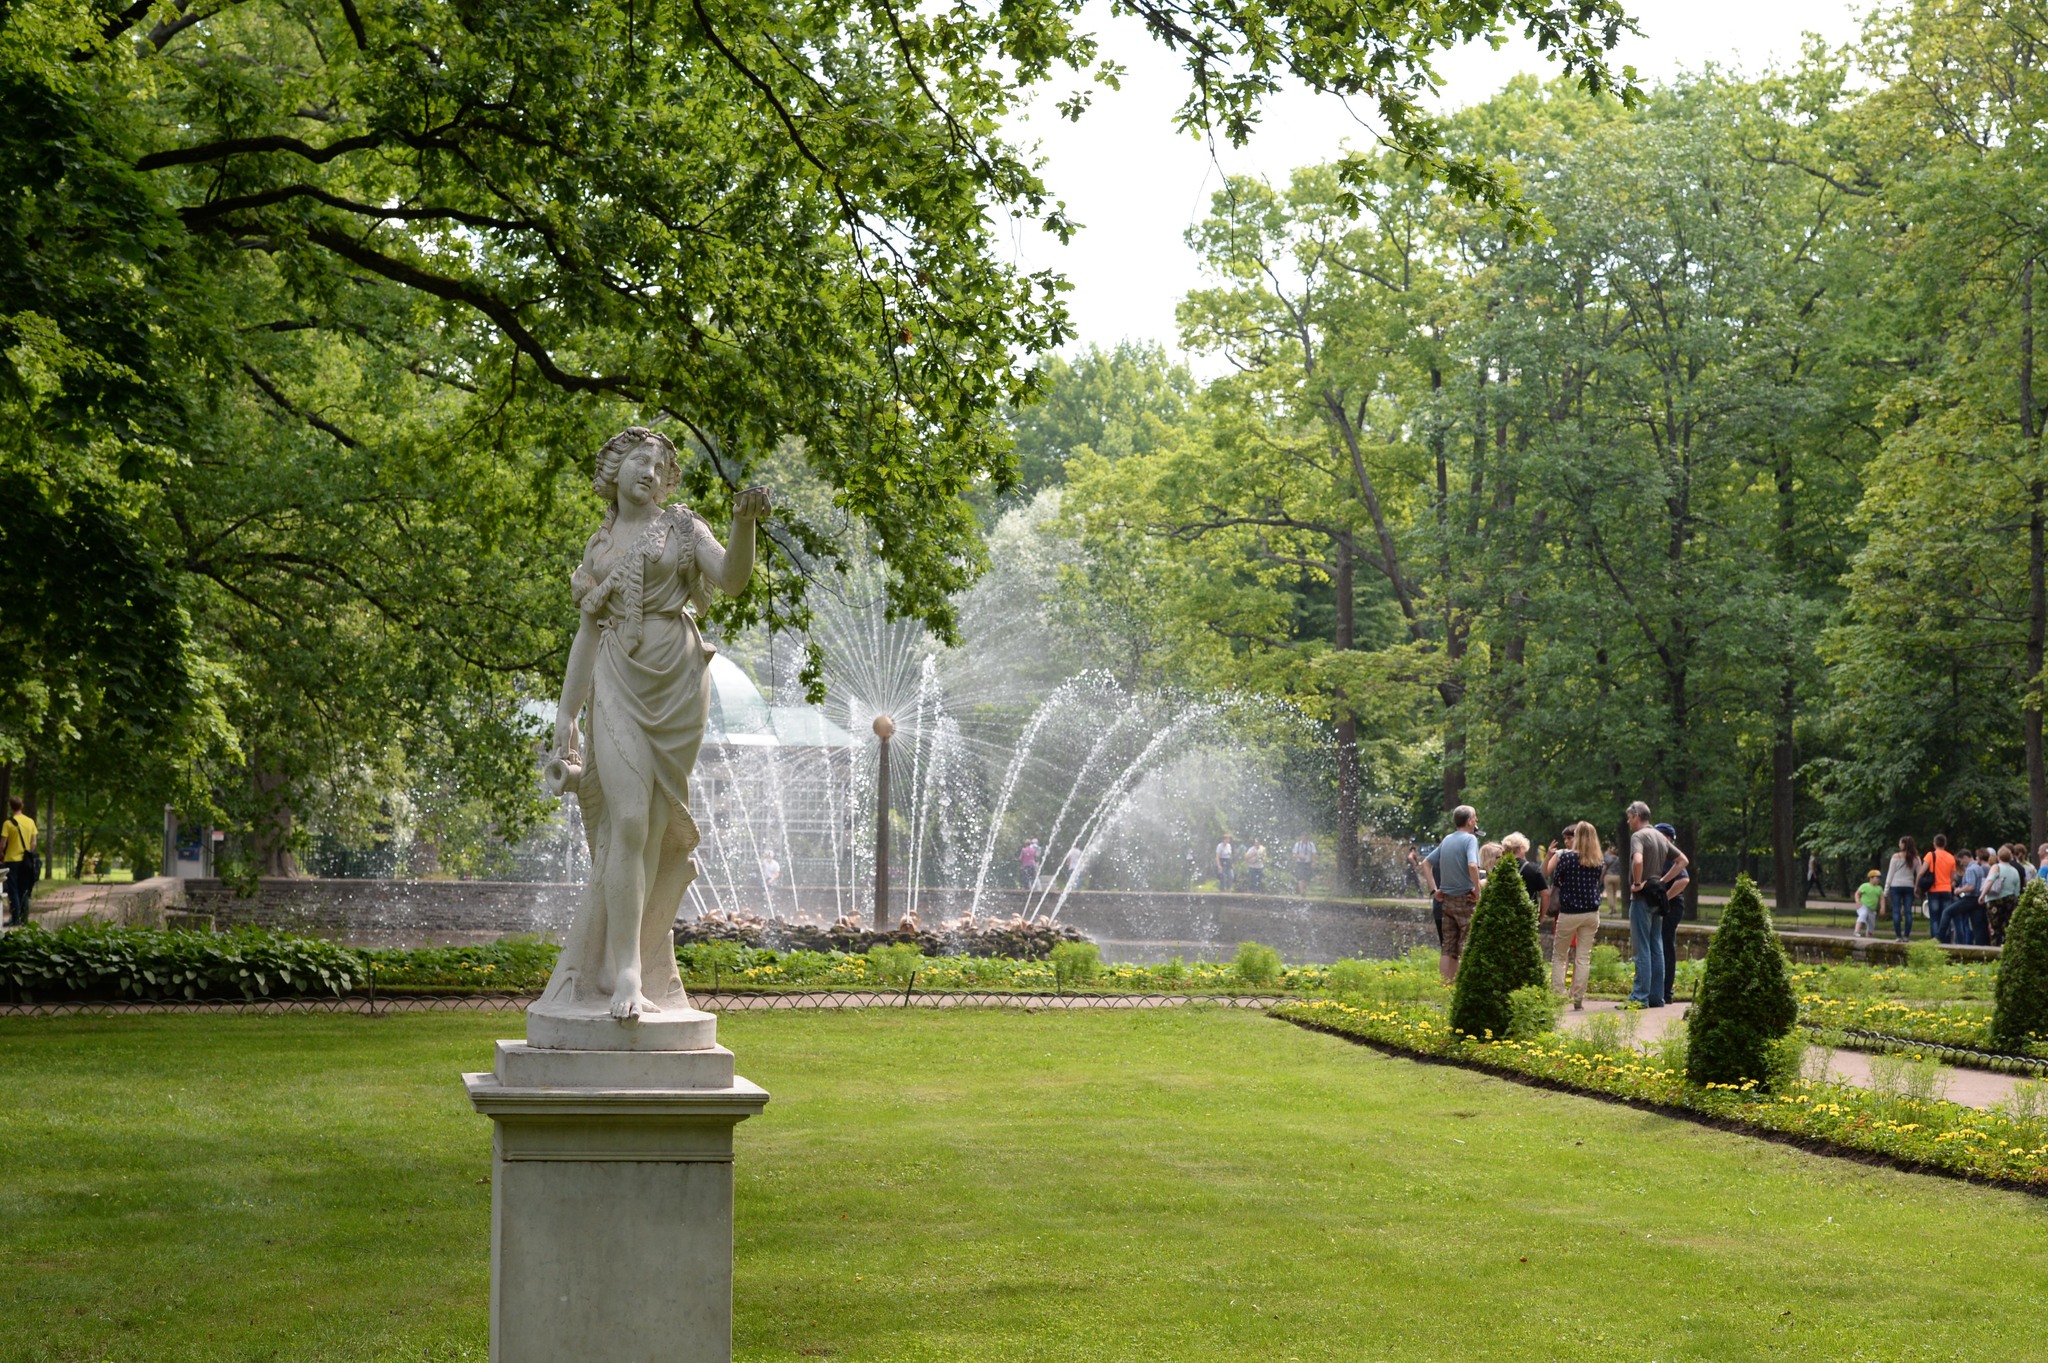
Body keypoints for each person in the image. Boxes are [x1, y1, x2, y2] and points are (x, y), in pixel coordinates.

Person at [541, 427, 768, 1021]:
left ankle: (635, 961)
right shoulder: (598, 550)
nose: (650, 470)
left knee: (655, 826)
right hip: (618, 676)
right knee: (630, 819)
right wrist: (567, 713)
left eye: (660, 464)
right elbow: (588, 633)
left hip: (677, 681)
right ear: (613, 471)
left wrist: (744, 524)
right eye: (638, 460)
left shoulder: (685, 528)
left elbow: (734, 580)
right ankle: (627, 975)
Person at [1625, 802, 1683, 1009]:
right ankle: (1656, 997)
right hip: (1657, 898)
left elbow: (1638, 861)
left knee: (1642, 948)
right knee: (1656, 946)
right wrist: (1662, 881)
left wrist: (1639, 883)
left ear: (1636, 815)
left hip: (1642, 898)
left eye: (1629, 817)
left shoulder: (1638, 837)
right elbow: (1682, 861)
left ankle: (1639, 997)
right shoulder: (1660, 837)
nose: (1628, 821)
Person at [1545, 821, 1605, 1010]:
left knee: (1560, 955)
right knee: (1583, 957)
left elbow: (1556, 879)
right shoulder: (1598, 861)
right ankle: (1578, 997)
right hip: (1591, 913)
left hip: (1569, 912)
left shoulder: (1568, 858)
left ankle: (1558, 994)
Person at [1421, 806, 1482, 984]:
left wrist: (1435, 890)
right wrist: (1477, 891)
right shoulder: (1470, 839)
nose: (1476, 822)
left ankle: (1446, 984)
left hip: (1446, 900)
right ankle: (1463, 986)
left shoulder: (1447, 839)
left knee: (1448, 947)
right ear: (1470, 820)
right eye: (1475, 818)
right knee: (1467, 943)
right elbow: (1472, 865)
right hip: (1465, 899)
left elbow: (1426, 863)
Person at [1654, 822, 1691, 1003]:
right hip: (1667, 906)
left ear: (1667, 838)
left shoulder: (1670, 855)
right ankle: (1661, 990)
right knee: (1661, 945)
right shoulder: (1661, 855)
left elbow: (1683, 880)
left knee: (1666, 946)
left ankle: (1666, 992)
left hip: (1672, 907)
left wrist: (1665, 898)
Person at [1, 798, 36, 928]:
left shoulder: (8, 823)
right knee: (24, 889)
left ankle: (15, 918)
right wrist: (28, 854)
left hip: (12, 860)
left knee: (13, 889)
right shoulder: (30, 822)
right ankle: (24, 917)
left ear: (11, 807)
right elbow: (34, 843)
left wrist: (2, 854)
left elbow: (2, 844)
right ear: (22, 806)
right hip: (26, 861)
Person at [1883, 835, 1922, 942]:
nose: (1899, 845)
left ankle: (1898, 936)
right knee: (1908, 911)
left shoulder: (1896, 857)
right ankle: (1906, 936)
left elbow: (1890, 874)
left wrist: (1886, 890)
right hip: (1909, 886)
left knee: (1896, 910)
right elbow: (1919, 874)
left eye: (1900, 843)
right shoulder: (1916, 858)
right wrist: (1917, 887)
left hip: (1895, 886)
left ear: (1903, 844)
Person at [1921, 835, 1957, 942]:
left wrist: (1918, 883)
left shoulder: (1930, 855)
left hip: (1934, 890)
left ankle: (1935, 938)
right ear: (1945, 844)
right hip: (1946, 889)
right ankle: (1944, 939)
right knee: (1945, 916)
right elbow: (1953, 877)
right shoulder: (1951, 857)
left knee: (1934, 917)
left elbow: (1922, 871)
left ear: (1934, 843)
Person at [1988, 847, 2024, 945]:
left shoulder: (1996, 867)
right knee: (2007, 926)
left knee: (1995, 927)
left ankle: (1993, 950)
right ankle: (2007, 947)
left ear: (1998, 857)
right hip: (2010, 900)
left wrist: (1983, 894)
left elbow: (1990, 880)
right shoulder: (2015, 870)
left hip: (1995, 900)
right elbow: (2017, 889)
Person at [1953, 849, 1987, 946]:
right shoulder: (1979, 867)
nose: (1961, 863)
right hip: (1978, 899)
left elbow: (1971, 886)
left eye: (1961, 860)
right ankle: (1980, 946)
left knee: (1948, 912)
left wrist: (1959, 890)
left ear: (1965, 857)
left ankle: (1943, 939)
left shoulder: (1970, 869)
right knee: (1977, 925)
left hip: (1970, 899)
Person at [1854, 869, 1882, 938]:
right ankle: (1856, 931)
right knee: (1863, 914)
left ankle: (1869, 935)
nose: (1879, 879)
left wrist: (1882, 907)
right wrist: (1858, 901)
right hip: (1863, 906)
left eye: (1879, 878)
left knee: (1871, 923)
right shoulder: (1865, 886)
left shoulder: (1879, 888)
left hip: (1872, 909)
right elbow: (1857, 894)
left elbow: (1882, 899)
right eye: (1877, 877)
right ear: (1871, 878)